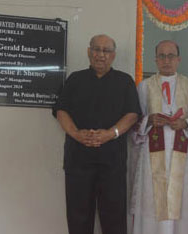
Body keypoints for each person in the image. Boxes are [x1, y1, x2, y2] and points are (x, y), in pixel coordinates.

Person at [53, 34, 141, 234]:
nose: (100, 55)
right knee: (78, 218)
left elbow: (132, 114)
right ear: (88, 52)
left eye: (106, 50)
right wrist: (76, 133)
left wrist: (111, 133)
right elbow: (61, 111)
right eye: (96, 49)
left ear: (113, 55)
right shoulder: (75, 79)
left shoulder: (124, 81)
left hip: (112, 163)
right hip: (78, 161)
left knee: (114, 218)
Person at [130, 40, 188, 234]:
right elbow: (134, 120)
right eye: (162, 56)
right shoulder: (144, 86)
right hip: (152, 155)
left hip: (182, 155)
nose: (166, 60)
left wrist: (185, 123)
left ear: (178, 59)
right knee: (152, 200)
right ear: (155, 59)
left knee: (181, 200)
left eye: (171, 56)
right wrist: (149, 120)